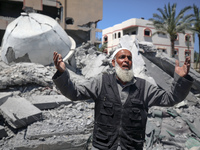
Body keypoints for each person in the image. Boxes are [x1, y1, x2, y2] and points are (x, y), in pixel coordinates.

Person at [52, 48, 193, 150]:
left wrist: (181, 79)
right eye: (122, 57)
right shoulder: (101, 82)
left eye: (129, 58)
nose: (126, 60)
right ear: (114, 63)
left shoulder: (144, 87)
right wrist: (62, 73)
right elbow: (74, 93)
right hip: (103, 146)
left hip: (131, 146)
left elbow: (170, 98)